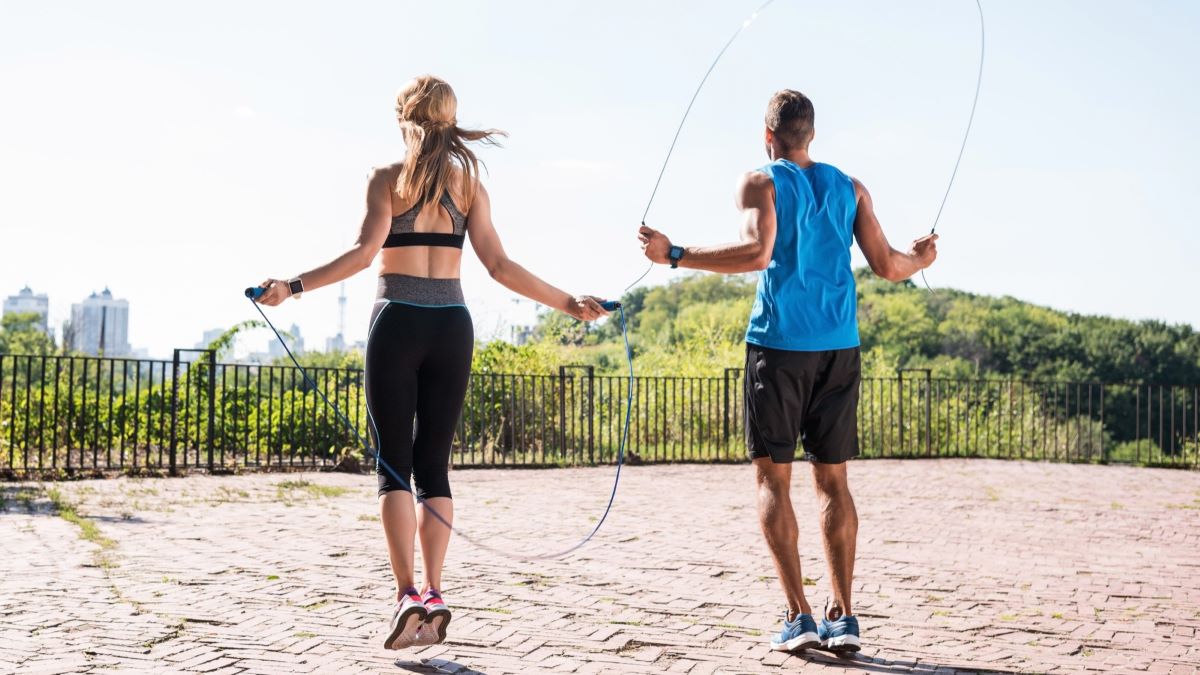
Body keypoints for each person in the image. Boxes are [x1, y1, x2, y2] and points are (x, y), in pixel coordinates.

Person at [254, 75, 609, 650]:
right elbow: (499, 265)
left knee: (394, 466)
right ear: (449, 120)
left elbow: (363, 254)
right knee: (434, 467)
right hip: (452, 326)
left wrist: (291, 286)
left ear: (404, 120)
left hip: (396, 318)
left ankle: (406, 596)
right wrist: (568, 303)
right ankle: (437, 593)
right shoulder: (468, 186)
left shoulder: (387, 179)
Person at [637, 89, 937, 653]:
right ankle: (844, 616)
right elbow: (890, 266)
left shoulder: (761, 180)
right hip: (839, 349)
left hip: (779, 348)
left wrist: (673, 253)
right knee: (834, 480)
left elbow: (756, 252)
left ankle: (799, 615)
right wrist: (922, 258)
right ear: (813, 135)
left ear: (768, 135)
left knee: (774, 479)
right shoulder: (851, 188)